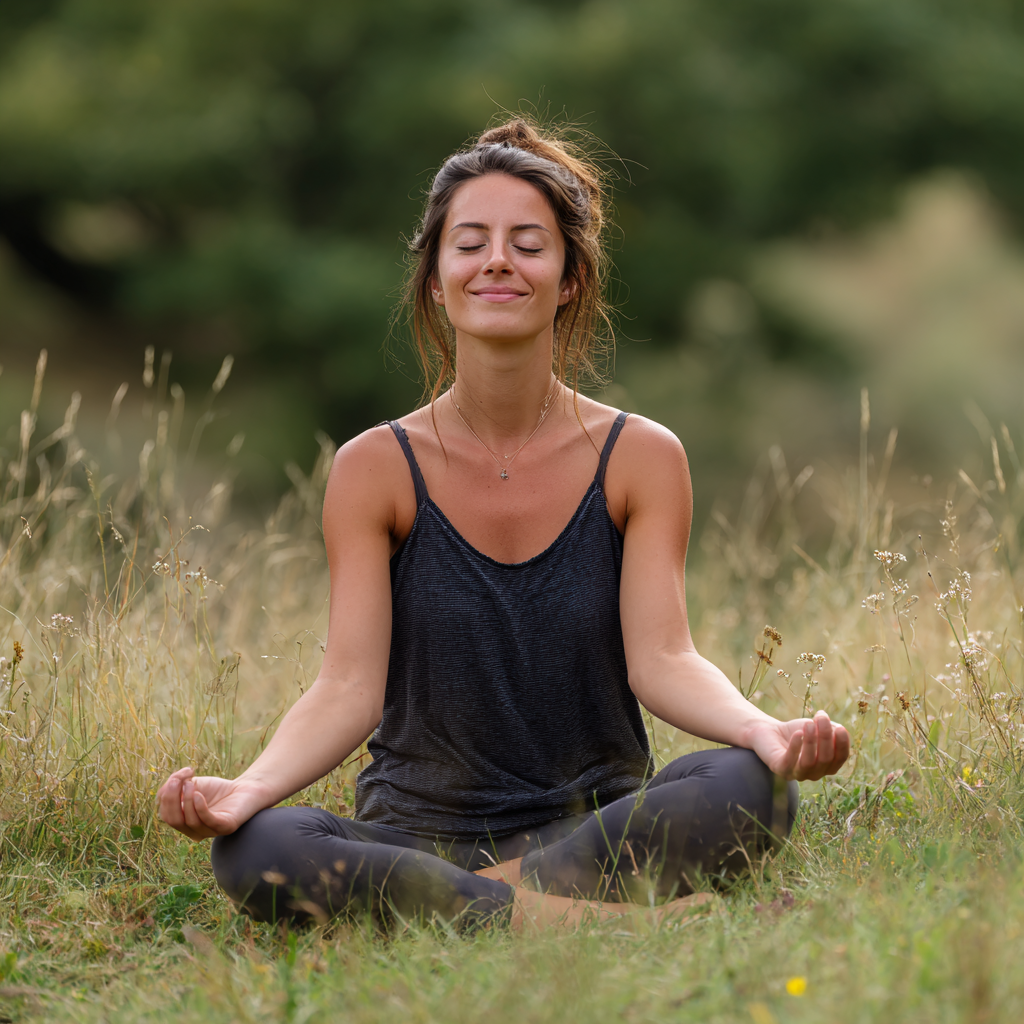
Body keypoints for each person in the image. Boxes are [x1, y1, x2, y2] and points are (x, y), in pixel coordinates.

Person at [157, 119, 849, 932]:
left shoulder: (641, 456)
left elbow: (664, 658)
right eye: (470, 243)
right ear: (435, 281)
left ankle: (468, 912)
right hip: (410, 833)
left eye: (528, 243)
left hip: (590, 825)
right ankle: (608, 925)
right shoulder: (373, 467)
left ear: (567, 281)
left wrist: (765, 733)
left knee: (746, 787)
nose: (496, 261)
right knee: (256, 847)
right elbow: (348, 686)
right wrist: (251, 787)